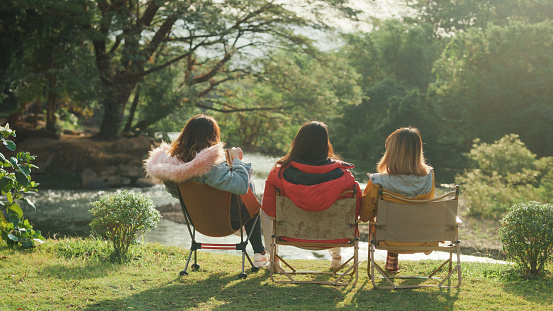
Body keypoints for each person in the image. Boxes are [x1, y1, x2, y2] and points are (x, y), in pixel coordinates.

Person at [144, 114, 268, 267]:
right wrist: (236, 161)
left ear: (186, 134)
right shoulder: (211, 168)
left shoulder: (172, 166)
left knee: (242, 190)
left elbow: (177, 194)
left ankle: (257, 249)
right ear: (213, 137)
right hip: (227, 222)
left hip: (199, 221)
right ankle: (259, 253)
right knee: (250, 191)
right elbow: (241, 187)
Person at [261, 121, 361, 270]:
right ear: (325, 144)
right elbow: (357, 211)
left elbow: (268, 210)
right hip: (335, 238)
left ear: (298, 142)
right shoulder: (345, 176)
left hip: (290, 236)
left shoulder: (279, 173)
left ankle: (274, 260)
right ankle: (336, 258)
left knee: (264, 212)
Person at [360, 127, 436, 274]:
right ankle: (392, 260)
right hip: (421, 238)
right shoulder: (429, 178)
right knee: (406, 215)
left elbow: (365, 216)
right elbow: (426, 203)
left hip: (388, 239)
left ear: (392, 153)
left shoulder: (378, 181)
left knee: (389, 220)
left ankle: (392, 256)